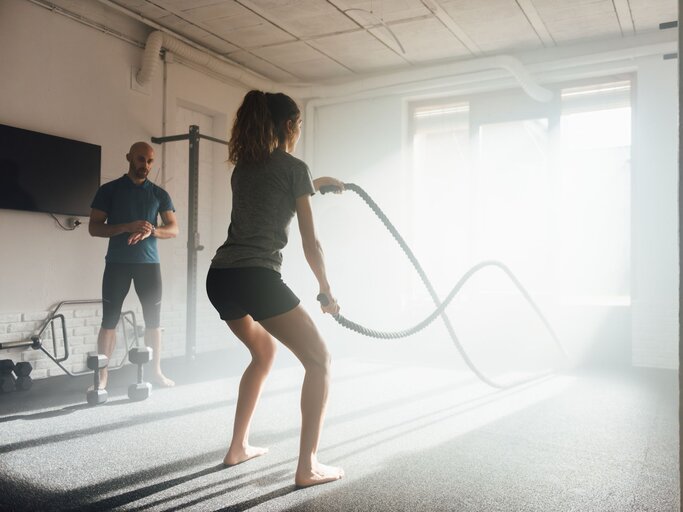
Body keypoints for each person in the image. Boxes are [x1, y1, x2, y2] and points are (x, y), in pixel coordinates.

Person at [206, 90, 345, 488]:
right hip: (256, 276)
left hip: (221, 277)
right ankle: (308, 467)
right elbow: (310, 241)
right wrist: (326, 290)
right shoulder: (294, 167)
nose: (298, 132)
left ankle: (237, 448)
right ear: (289, 126)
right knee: (319, 361)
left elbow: (269, 195)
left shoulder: (244, 168)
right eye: (298, 126)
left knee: (263, 352)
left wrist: (314, 185)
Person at [89, 141, 179, 389]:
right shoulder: (109, 190)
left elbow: (173, 229)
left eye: (150, 161)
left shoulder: (159, 194)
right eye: (141, 160)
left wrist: (152, 231)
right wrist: (126, 227)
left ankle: (156, 372)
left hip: (148, 265)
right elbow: (94, 227)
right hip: (117, 264)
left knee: (154, 321)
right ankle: (102, 377)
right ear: (129, 157)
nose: (145, 166)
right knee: (109, 320)